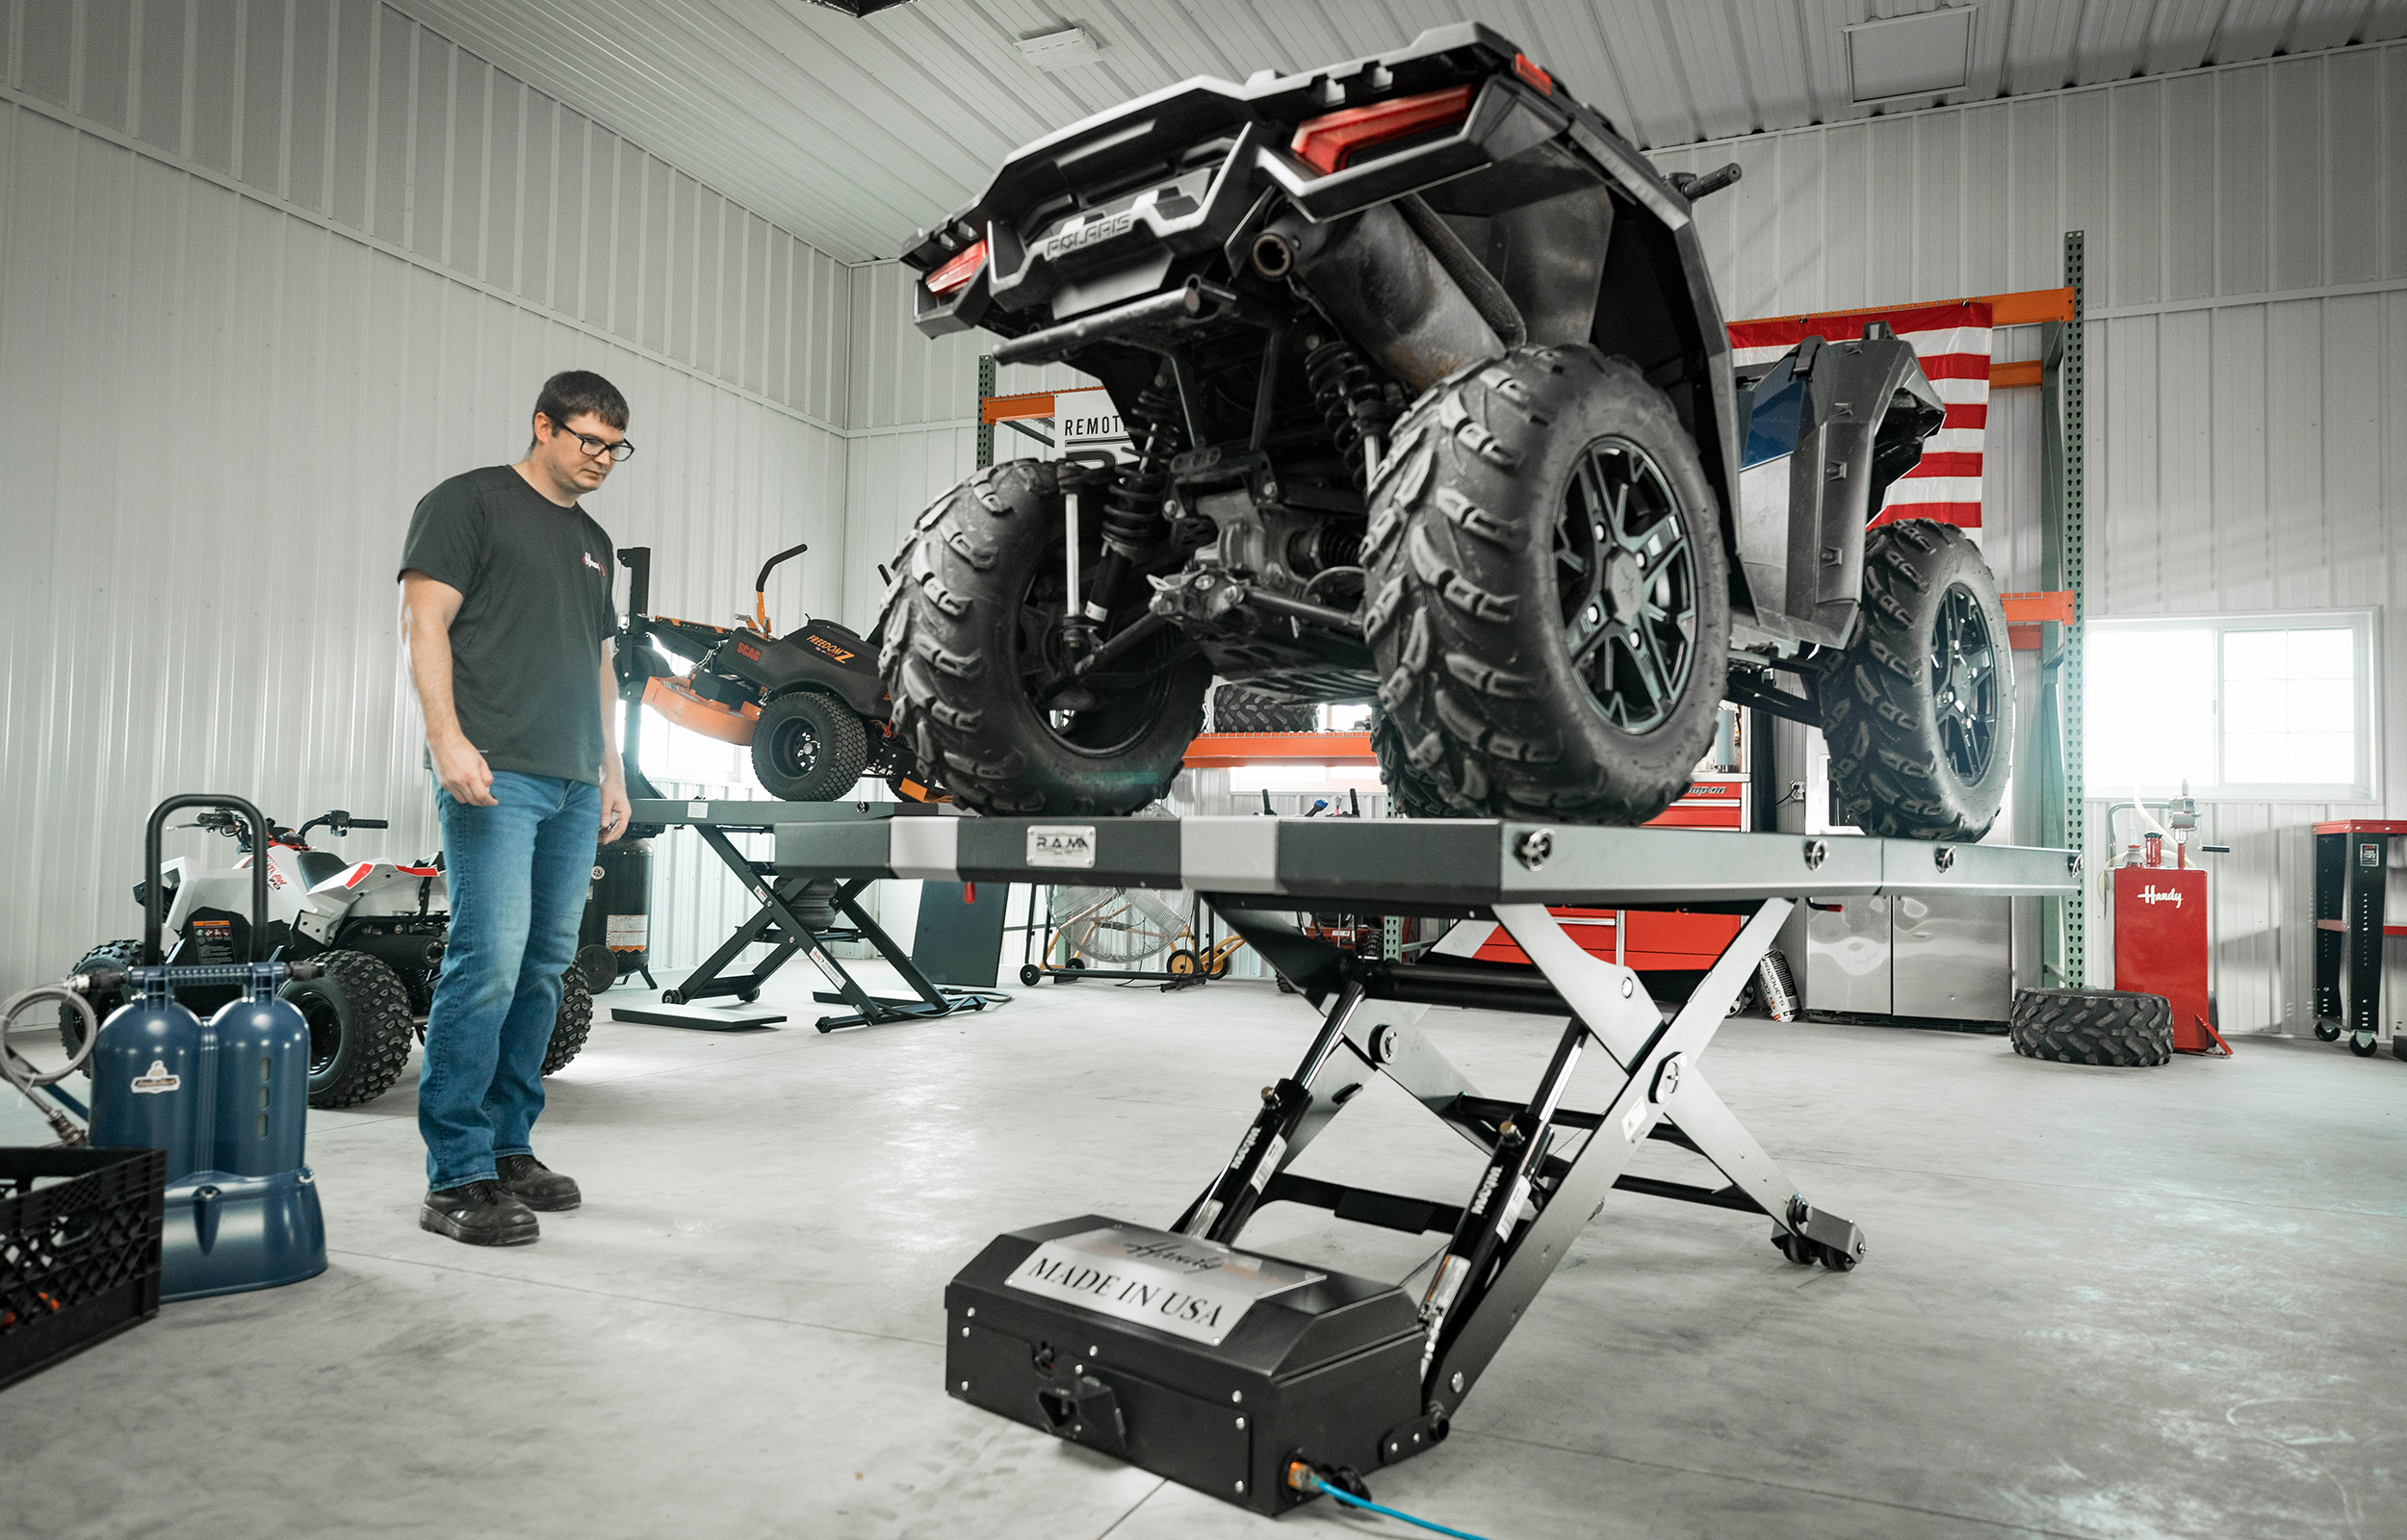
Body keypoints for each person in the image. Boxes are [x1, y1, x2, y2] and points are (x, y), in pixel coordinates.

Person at [398, 371, 634, 1245]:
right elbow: (423, 625)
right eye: (588, 441)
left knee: (543, 968)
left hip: (574, 781)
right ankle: (454, 1174)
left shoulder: (596, 541)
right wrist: (446, 740)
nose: (604, 459)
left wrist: (614, 771)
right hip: (495, 773)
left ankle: (508, 1148)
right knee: (486, 962)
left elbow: (598, 663)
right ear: (543, 426)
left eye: (617, 447)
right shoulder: (468, 504)